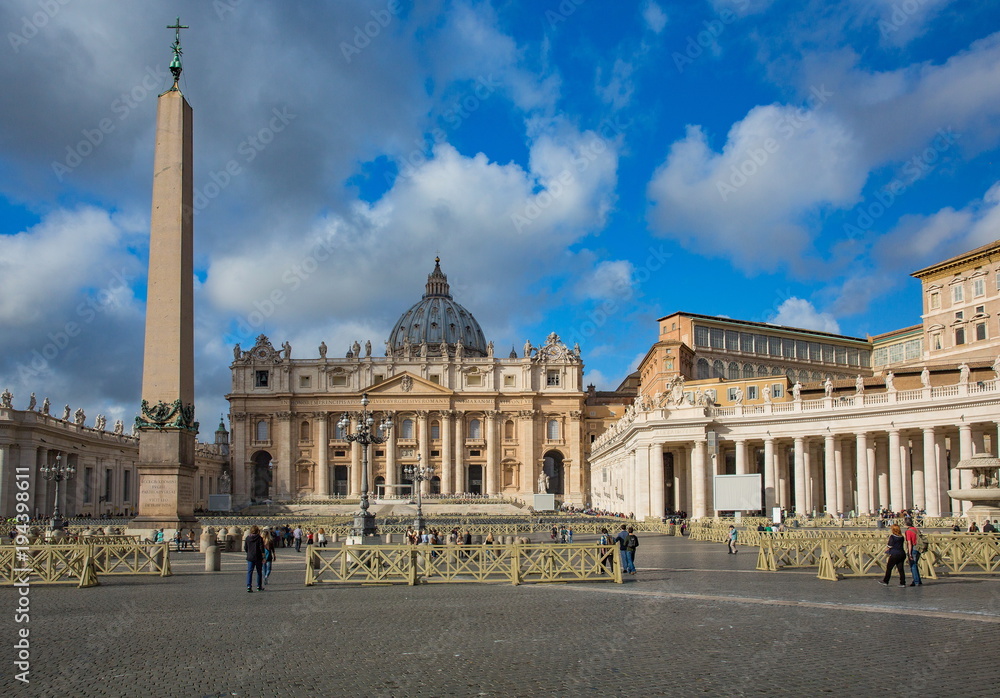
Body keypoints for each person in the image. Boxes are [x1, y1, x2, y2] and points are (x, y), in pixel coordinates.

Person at [245, 525, 265, 592]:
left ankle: (248, 586)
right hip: (258, 557)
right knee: (259, 572)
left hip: (250, 557)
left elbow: (245, 548)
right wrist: (263, 557)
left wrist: (249, 552)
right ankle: (259, 586)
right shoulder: (259, 538)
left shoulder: (247, 538)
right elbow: (261, 548)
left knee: (249, 572)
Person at [904, 519, 922, 586]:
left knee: (913, 565)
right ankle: (918, 580)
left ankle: (916, 581)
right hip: (919, 548)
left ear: (906, 524)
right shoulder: (916, 529)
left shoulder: (908, 531)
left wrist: (909, 553)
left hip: (913, 548)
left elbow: (909, 543)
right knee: (915, 564)